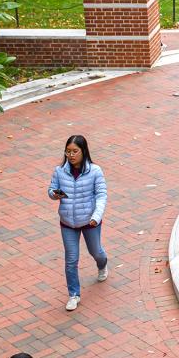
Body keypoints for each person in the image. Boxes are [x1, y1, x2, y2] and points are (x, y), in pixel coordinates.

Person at [48, 134, 107, 313]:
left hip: (90, 221)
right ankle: (74, 294)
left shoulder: (95, 171)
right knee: (71, 260)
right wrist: (54, 194)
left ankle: (103, 264)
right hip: (68, 222)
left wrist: (96, 216)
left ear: (83, 151)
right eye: (68, 152)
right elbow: (51, 190)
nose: (71, 155)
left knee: (95, 251)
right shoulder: (59, 171)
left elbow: (101, 195)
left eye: (75, 151)